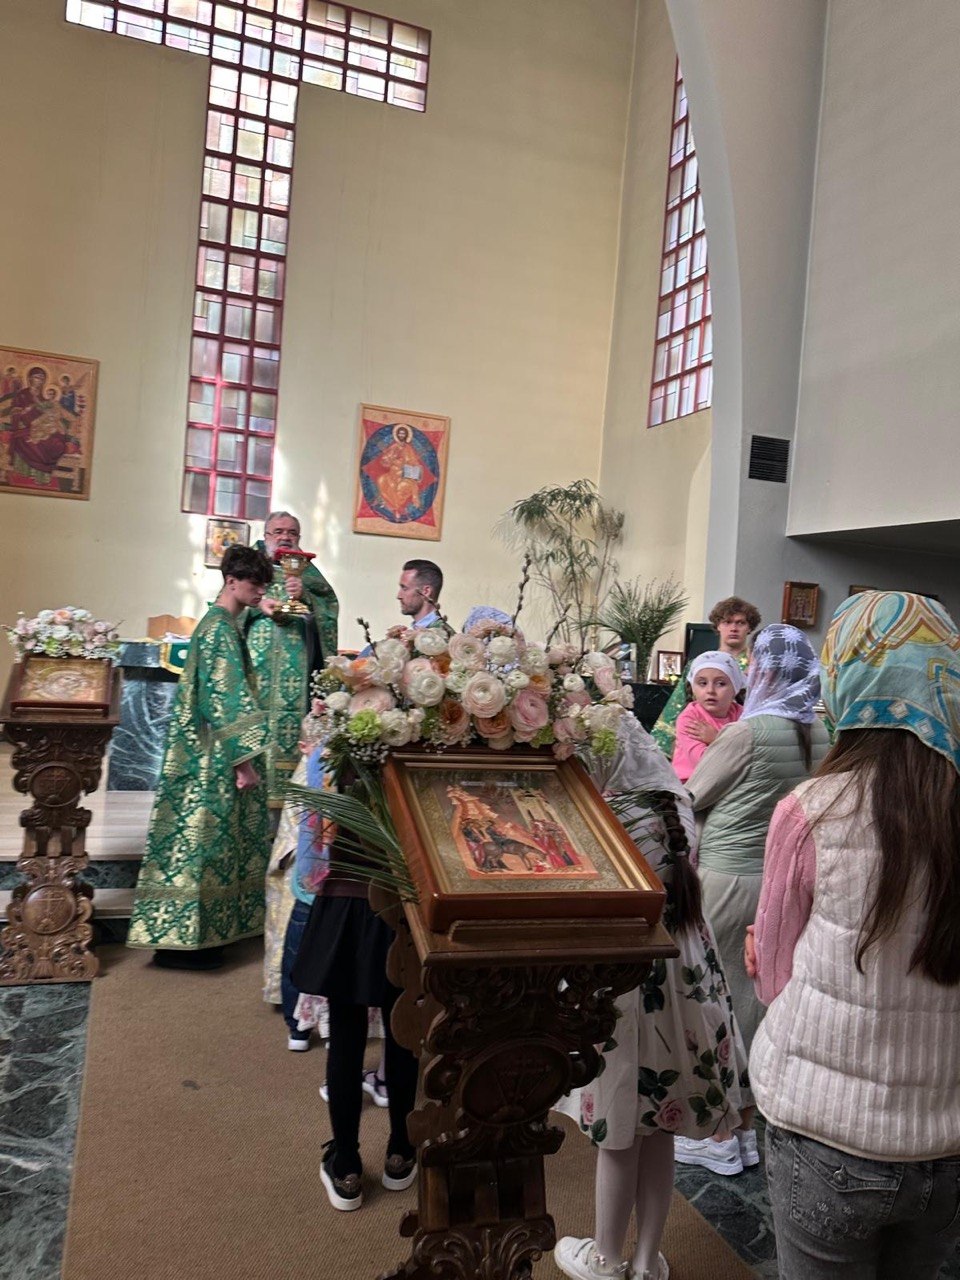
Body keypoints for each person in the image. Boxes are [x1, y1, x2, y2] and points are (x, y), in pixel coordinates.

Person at [747, 591, 960, 1279]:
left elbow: (773, 979)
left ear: (842, 680)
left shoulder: (812, 810)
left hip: (825, 1132)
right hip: (947, 1137)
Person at [554, 716, 750, 1280]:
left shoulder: (607, 814)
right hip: (687, 977)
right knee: (661, 1124)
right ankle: (645, 1261)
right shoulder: (675, 803)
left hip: (625, 977)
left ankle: (605, 1257)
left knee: (619, 1131)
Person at [674, 623, 829, 1175]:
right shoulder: (821, 731)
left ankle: (716, 1135)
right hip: (784, 882)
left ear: (760, 671)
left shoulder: (748, 733)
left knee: (711, 1004)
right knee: (753, 1002)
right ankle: (743, 1130)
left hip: (728, 878)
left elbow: (691, 796)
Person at [127, 545, 276, 969]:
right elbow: (224, 698)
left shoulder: (221, 623)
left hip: (200, 750)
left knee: (194, 842)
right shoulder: (219, 631)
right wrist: (243, 762)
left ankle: (190, 937)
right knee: (204, 844)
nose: (260, 592)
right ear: (231, 581)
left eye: (263, 584)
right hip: (213, 756)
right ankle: (192, 945)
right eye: (254, 583)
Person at [289, 754, 420, 1212]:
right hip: (405, 903)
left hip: (347, 898)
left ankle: (345, 1164)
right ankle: (401, 1151)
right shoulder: (420, 749)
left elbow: (315, 839)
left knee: (346, 1034)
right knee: (404, 1032)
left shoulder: (338, 751)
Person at [247, 510, 339, 811]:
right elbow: (228, 603)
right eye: (278, 532)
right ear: (266, 536)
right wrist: (259, 604)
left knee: (291, 735)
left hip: (295, 672)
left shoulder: (308, 573)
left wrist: (307, 597)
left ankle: (287, 812)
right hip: (256, 668)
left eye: (292, 532)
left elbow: (329, 610)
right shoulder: (251, 566)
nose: (285, 537)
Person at [650, 596, 760, 761]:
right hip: (694, 736)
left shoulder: (756, 667)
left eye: (740, 623)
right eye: (727, 622)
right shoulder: (699, 663)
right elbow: (678, 702)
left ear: (749, 627)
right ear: (717, 625)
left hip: (738, 738)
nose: (733, 628)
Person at [671, 650, 744, 784]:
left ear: (735, 688)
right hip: (691, 784)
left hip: (728, 783)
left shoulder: (742, 714)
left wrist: (716, 738)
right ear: (693, 687)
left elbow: (752, 754)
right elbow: (705, 764)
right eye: (702, 683)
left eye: (720, 683)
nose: (710, 690)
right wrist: (725, 742)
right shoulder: (689, 719)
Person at [396, 558, 443, 627]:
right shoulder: (423, 629)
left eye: (405, 588)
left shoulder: (440, 632)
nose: (399, 596)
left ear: (426, 591)